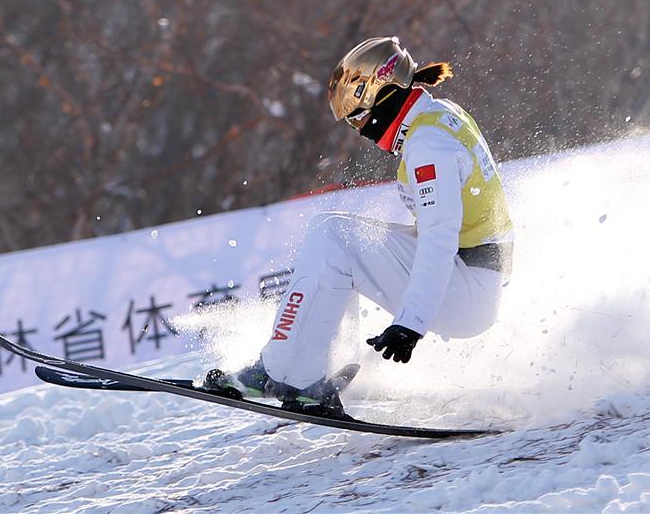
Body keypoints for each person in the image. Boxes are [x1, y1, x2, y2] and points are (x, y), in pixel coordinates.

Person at [206, 37, 514, 419]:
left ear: (383, 97)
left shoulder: (428, 145)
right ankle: (321, 371)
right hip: (475, 276)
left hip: (468, 286)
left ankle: (282, 373)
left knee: (331, 237)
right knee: (339, 242)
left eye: (358, 116)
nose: (359, 130)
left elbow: (439, 237)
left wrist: (410, 323)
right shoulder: (437, 117)